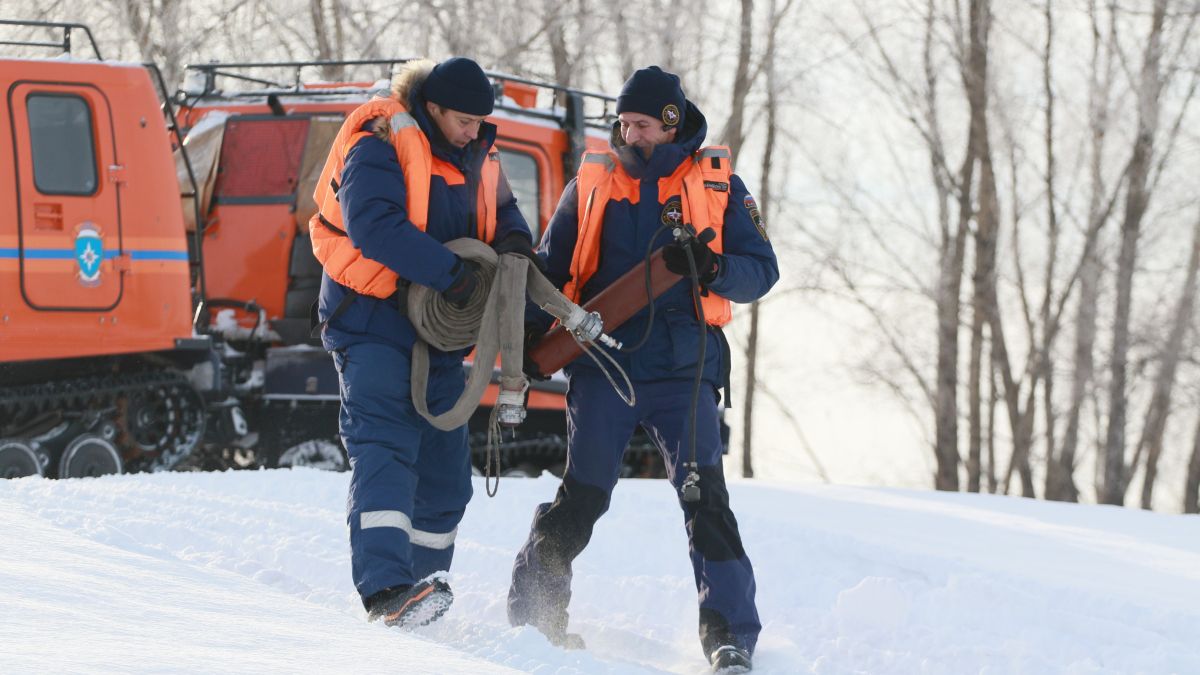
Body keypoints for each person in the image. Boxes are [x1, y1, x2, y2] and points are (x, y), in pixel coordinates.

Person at [507, 66, 778, 672]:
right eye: (624, 123)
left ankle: (730, 640)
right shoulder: (594, 179)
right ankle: (534, 620)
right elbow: (551, 265)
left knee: (704, 499)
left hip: (687, 370)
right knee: (582, 498)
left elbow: (762, 269)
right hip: (602, 365)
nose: (630, 134)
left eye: (643, 124)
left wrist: (711, 267)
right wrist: (526, 330)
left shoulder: (721, 185)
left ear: (672, 123)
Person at [309, 57, 539, 628]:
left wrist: (513, 244)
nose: (473, 130)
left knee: (444, 471)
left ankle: (425, 591)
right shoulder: (379, 141)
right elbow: (373, 225)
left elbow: (505, 212)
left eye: (479, 121)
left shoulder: (478, 151)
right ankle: (388, 592)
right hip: (372, 321)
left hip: (440, 332)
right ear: (432, 107)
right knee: (386, 448)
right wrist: (452, 276)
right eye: (463, 120)